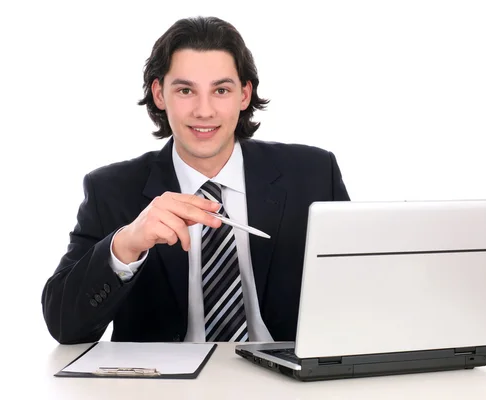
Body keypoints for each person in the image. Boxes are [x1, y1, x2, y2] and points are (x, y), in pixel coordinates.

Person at [41, 16, 350, 345]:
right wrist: (126, 244)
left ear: (244, 95)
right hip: (165, 390)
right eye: (186, 90)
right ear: (160, 94)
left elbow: (362, 288)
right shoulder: (111, 190)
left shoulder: (315, 173)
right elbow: (64, 327)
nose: (204, 111)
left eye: (221, 90)